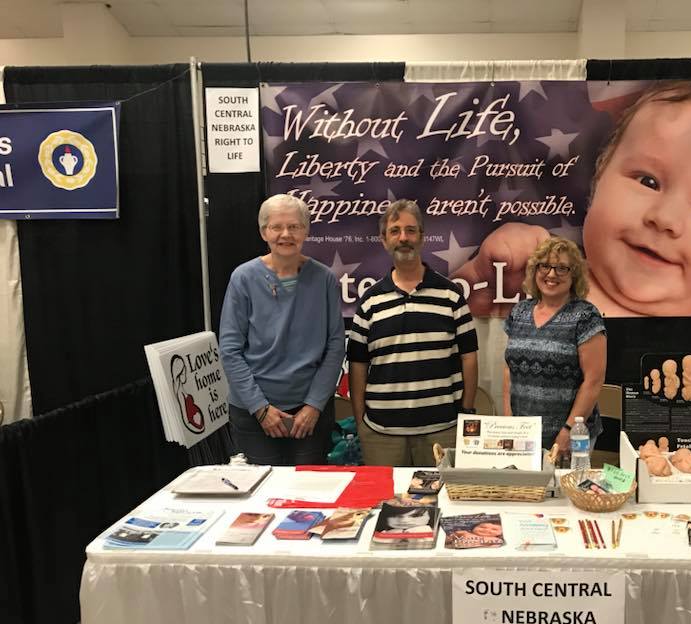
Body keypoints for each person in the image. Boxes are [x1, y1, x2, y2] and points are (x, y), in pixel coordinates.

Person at [453, 79, 691, 318]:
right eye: (648, 181)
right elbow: (449, 321)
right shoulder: (542, 278)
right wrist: (485, 282)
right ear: (598, 178)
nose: (665, 218)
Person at [348, 199, 479, 466]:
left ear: (422, 237)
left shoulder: (451, 295)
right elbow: (358, 365)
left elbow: (469, 357)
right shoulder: (370, 302)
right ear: (384, 240)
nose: (403, 238)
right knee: (384, 503)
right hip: (381, 434)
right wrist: (362, 420)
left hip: (442, 430)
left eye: (410, 230)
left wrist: (465, 412)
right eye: (395, 231)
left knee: (441, 505)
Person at [219, 193, 345, 465]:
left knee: (308, 498)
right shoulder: (243, 278)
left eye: (294, 226)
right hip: (254, 414)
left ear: (306, 230)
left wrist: (313, 406)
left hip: (310, 414)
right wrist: (260, 409)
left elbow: (335, 346)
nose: (285, 234)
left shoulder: (324, 279)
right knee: (261, 499)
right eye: (276, 227)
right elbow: (230, 350)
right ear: (264, 231)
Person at [502, 235, 606, 458]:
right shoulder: (519, 312)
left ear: (574, 275)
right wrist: (509, 421)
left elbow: (594, 380)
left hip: (569, 437)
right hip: (524, 435)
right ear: (535, 270)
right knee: (527, 492)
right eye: (545, 266)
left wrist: (568, 431)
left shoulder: (586, 316)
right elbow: (509, 370)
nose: (551, 274)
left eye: (562, 268)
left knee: (568, 492)